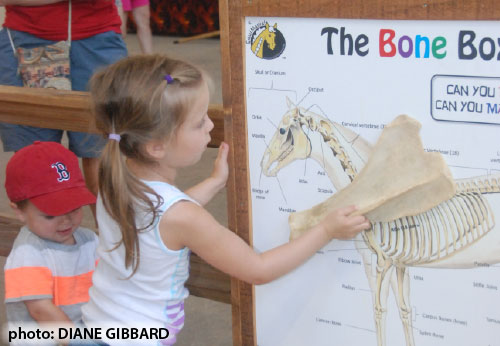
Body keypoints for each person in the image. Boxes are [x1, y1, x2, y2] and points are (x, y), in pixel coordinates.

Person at [81, 55, 370, 345]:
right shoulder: (182, 217)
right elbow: (259, 269)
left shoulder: (114, 178)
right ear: (157, 146)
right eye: (198, 123)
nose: (210, 126)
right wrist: (326, 230)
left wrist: (213, 183)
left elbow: (157, 222)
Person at [0, 0, 128, 217]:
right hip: (26, 40)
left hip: (96, 40)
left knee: (102, 154)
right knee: (37, 158)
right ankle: (45, 246)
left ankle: (113, 243)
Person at [3, 141, 98, 344]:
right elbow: (41, 310)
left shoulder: (89, 240)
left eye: (73, 208)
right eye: (50, 215)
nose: (66, 220)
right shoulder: (28, 254)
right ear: (19, 211)